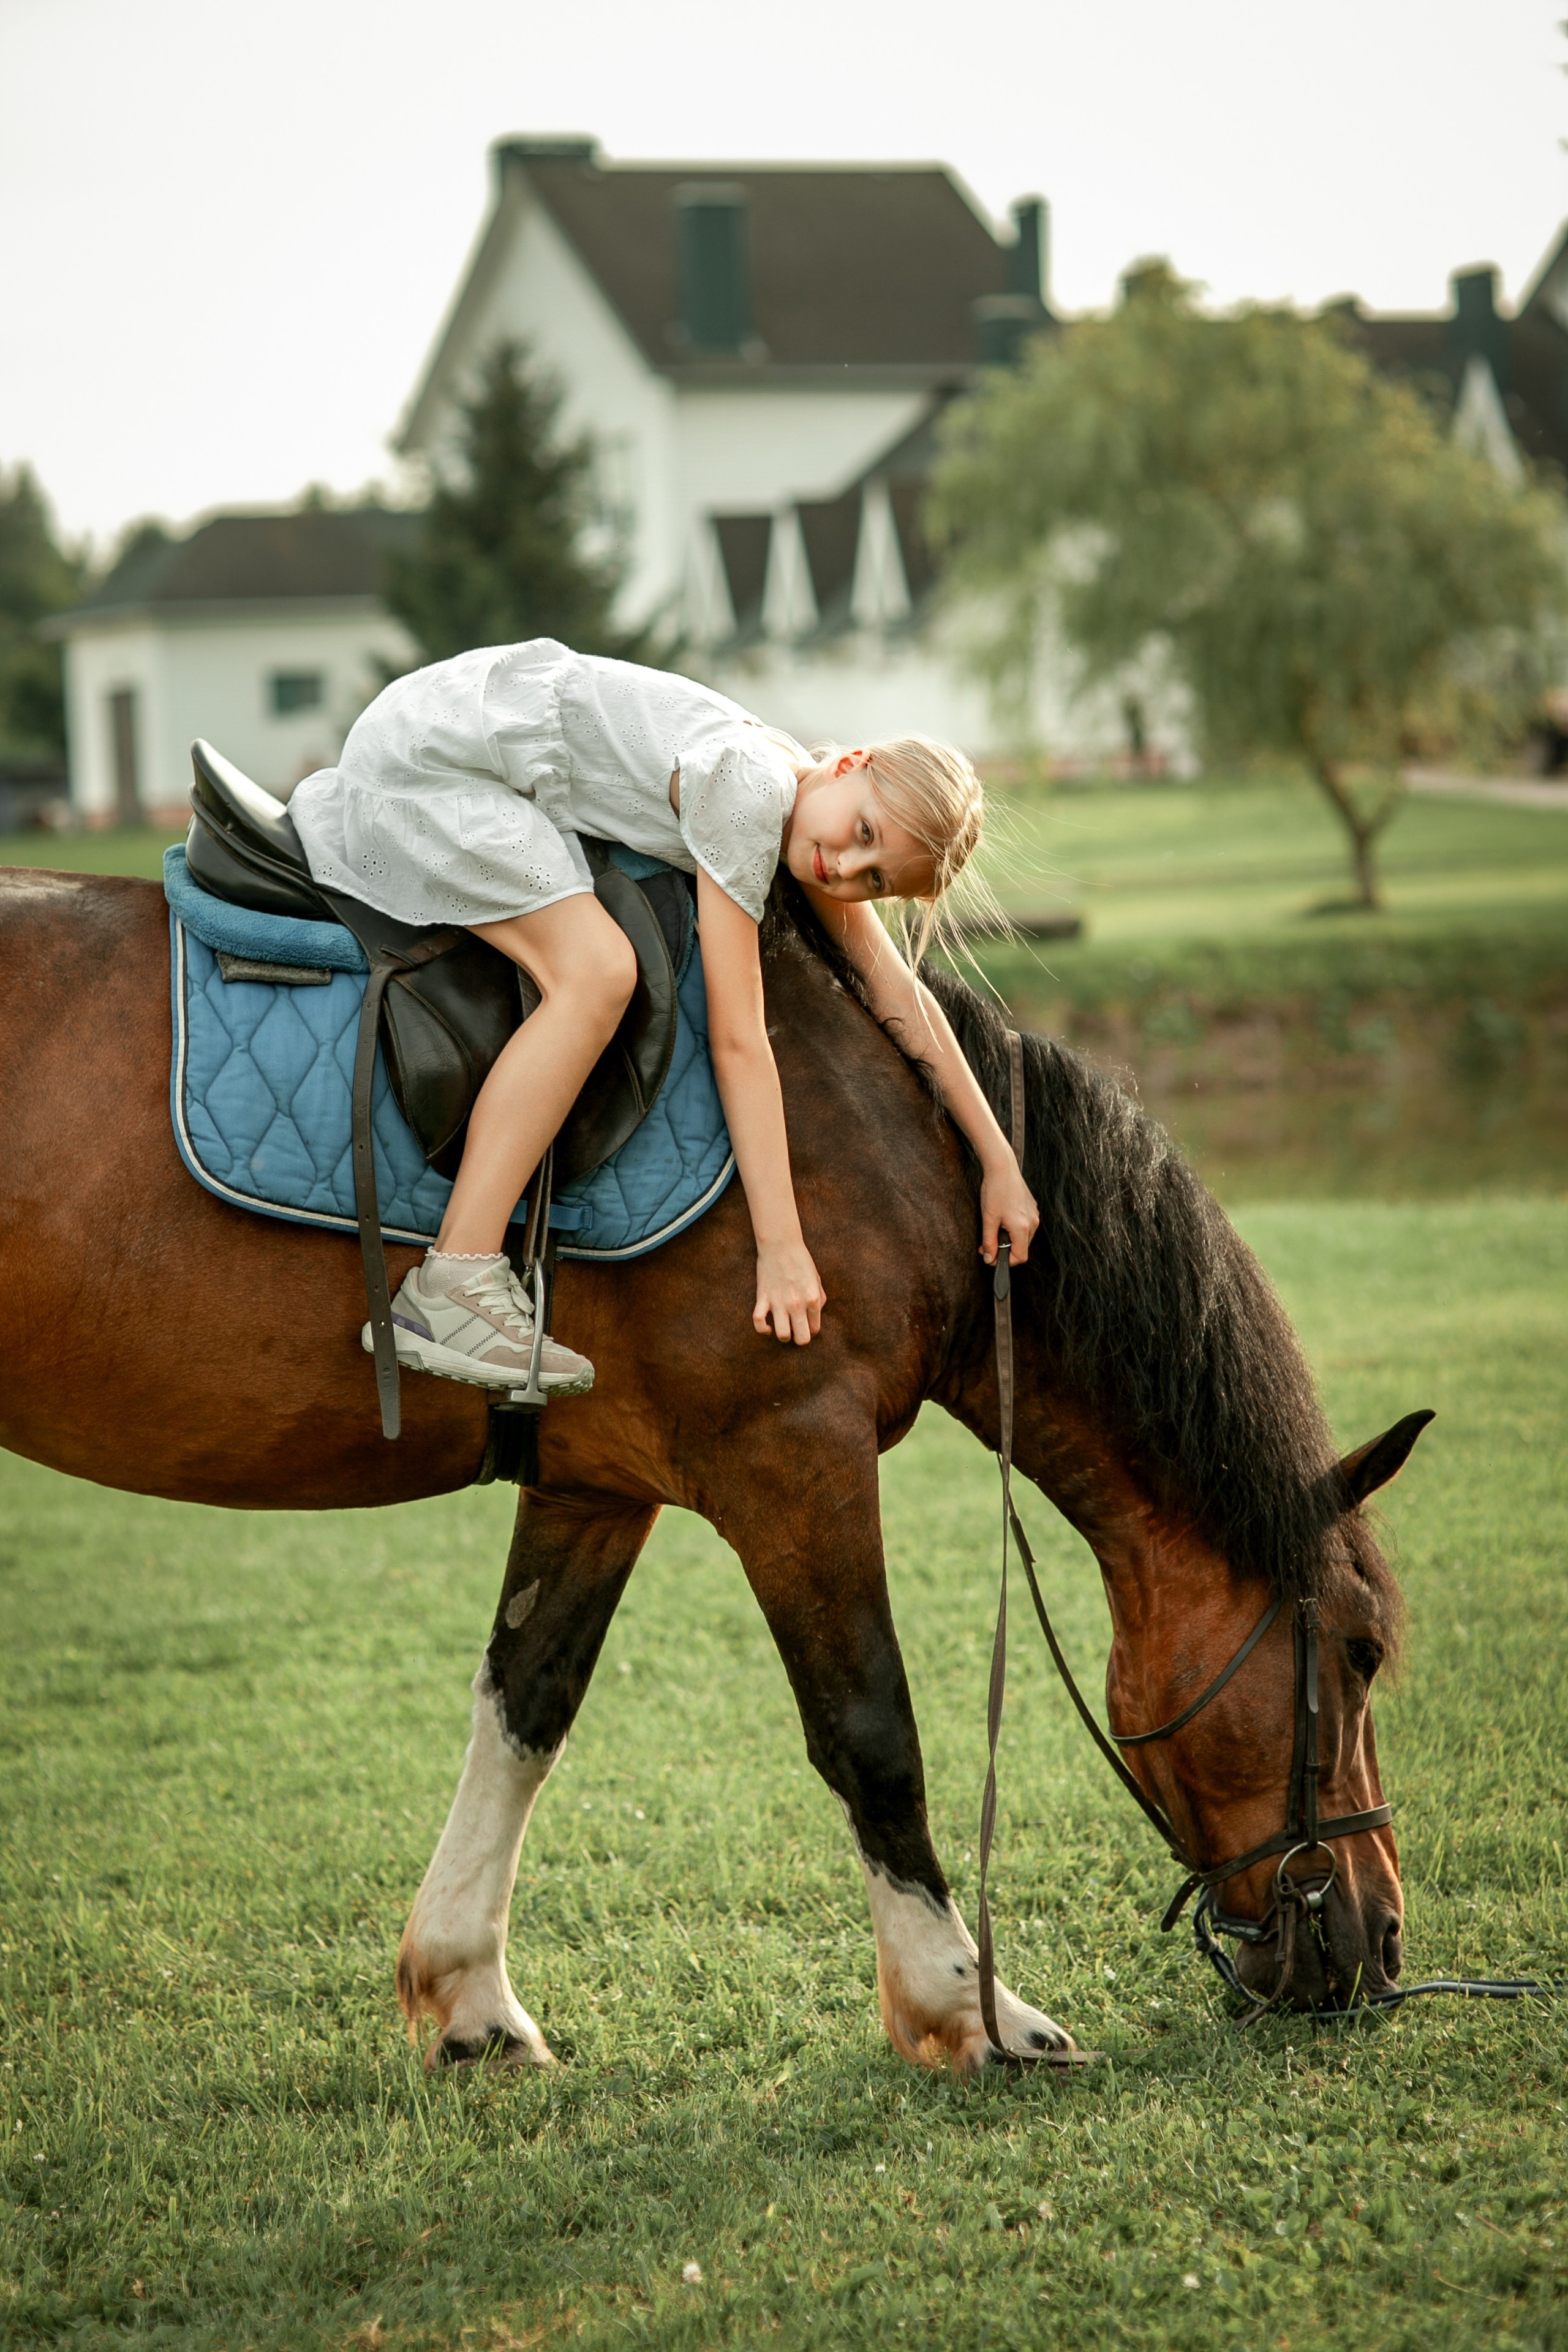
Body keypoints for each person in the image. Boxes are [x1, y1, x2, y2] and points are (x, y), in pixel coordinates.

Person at [290, 639, 1039, 1395]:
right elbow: (740, 1041)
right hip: (436, 760)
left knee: (599, 964)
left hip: (459, 729)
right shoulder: (752, 792)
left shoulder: (801, 807)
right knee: (596, 973)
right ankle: (454, 1278)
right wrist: (781, 1245)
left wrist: (997, 1162)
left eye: (874, 879)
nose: (844, 869)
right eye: (865, 835)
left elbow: (897, 991)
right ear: (851, 765)